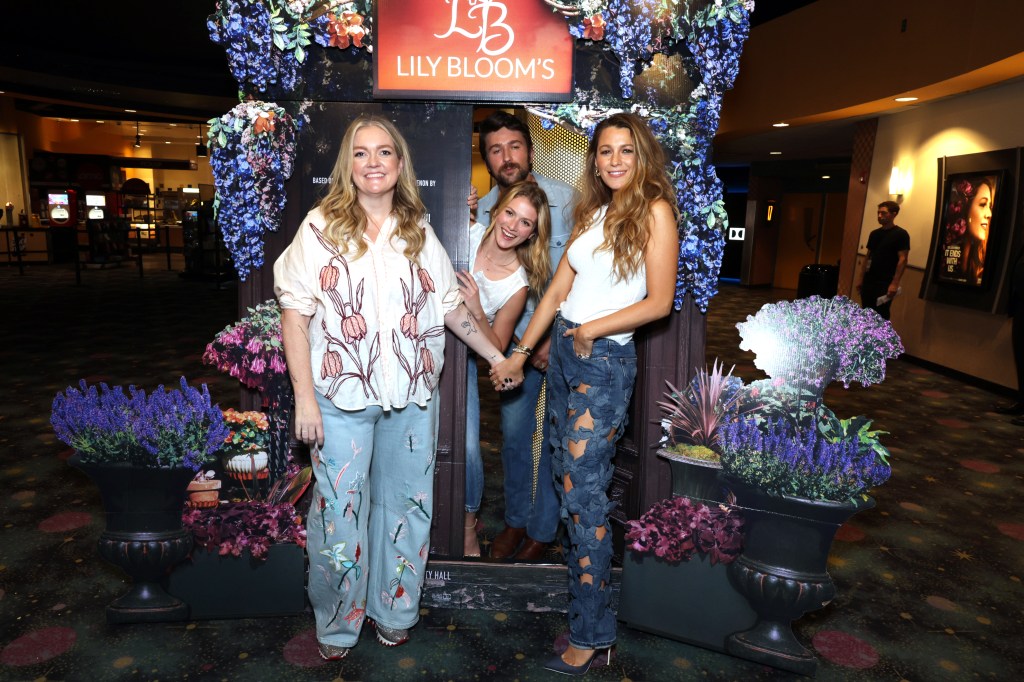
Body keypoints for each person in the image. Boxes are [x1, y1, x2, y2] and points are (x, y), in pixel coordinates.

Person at [274, 115, 504, 661]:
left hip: (411, 397)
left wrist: (498, 356)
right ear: (347, 165)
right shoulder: (318, 228)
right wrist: (305, 399)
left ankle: (394, 608)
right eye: (360, 153)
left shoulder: (417, 229)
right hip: (340, 399)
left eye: (384, 152)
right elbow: (294, 315)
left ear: (400, 163)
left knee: (408, 506)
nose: (373, 162)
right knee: (338, 513)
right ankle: (337, 623)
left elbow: (450, 307)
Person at [489, 112, 679, 674]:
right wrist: (523, 352)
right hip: (568, 356)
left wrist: (591, 330)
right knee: (567, 484)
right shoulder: (594, 211)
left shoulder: (655, 212)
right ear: (592, 158)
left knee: (583, 497)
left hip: (603, 358)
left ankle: (594, 631)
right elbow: (556, 292)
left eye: (625, 150)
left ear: (642, 156)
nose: (614, 160)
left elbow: (659, 302)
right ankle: (586, 613)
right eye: (604, 151)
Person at [473, 110, 578, 561]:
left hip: (558, 339)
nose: (506, 156)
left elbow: (579, 274)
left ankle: (542, 529)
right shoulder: (482, 209)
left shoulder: (567, 199)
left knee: (558, 436)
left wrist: (552, 338)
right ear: (488, 159)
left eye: (514, 146)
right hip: (510, 345)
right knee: (513, 438)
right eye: (495, 150)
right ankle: (515, 521)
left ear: (530, 150)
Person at [460, 182, 552, 557]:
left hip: (465, 358)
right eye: (510, 213)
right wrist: (455, 200)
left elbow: (497, 346)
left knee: (468, 447)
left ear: (533, 233)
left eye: (526, 223)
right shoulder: (463, 232)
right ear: (496, 210)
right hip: (417, 345)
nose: (514, 226)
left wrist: (478, 307)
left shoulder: (519, 283)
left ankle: (467, 525)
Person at [856, 200, 909, 320]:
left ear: (894, 214)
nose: (880, 216)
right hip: (869, 280)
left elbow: (903, 259)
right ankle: (867, 337)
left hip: (885, 282)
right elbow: (868, 256)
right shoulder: (874, 234)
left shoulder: (901, 234)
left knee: (881, 314)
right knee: (866, 312)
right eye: (878, 213)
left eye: (884, 213)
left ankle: (881, 338)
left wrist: (895, 283)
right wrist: (860, 278)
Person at [941, 176, 994, 286]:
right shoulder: (944, 257)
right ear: (966, 207)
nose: (989, 214)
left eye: (990, 206)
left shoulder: (982, 264)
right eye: (983, 204)